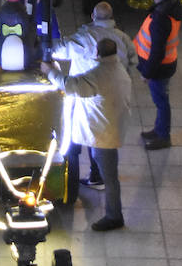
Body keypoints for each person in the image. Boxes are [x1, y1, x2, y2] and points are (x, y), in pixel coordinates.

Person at [42, 37, 132, 232]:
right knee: (107, 170)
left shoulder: (100, 74)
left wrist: (50, 72)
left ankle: (114, 216)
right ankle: (96, 181)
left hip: (102, 133)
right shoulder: (120, 70)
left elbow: (71, 86)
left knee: (110, 177)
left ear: (97, 54)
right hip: (111, 128)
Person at [51, 1, 135, 188]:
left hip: (84, 98)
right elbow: (132, 63)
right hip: (112, 98)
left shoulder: (86, 38)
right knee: (101, 138)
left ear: (93, 17)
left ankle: (75, 180)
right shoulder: (123, 38)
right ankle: (98, 176)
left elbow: (58, 51)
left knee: (77, 139)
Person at [134, 0, 181, 151]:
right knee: (161, 100)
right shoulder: (171, 8)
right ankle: (159, 130)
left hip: (160, 69)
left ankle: (163, 136)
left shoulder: (160, 19)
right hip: (168, 64)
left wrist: (147, 73)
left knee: (161, 102)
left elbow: (157, 51)